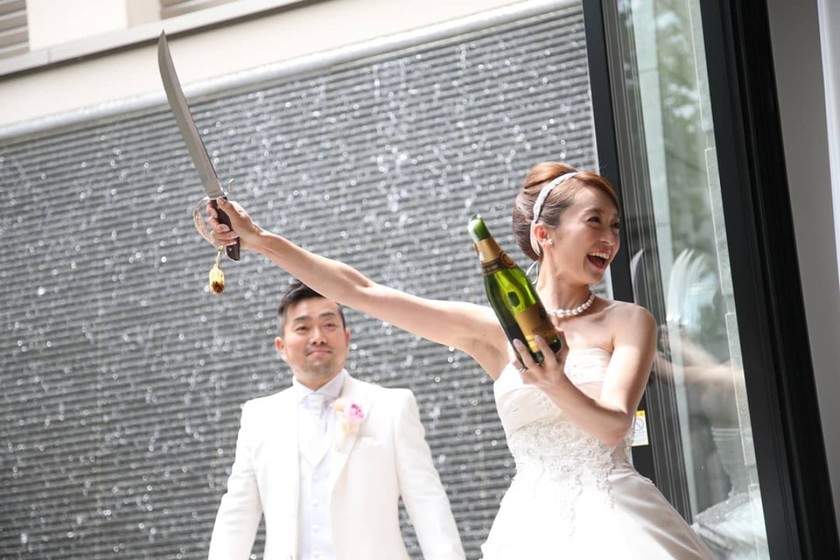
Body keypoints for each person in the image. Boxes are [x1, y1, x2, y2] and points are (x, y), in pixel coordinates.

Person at [205, 161, 714, 558]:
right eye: (594, 221)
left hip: (618, 523)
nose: (610, 237)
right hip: (530, 530)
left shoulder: (629, 321)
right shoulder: (491, 330)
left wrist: (555, 381)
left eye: (615, 225)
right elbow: (361, 290)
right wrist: (257, 238)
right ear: (545, 235)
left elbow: (612, 426)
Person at [206, 280, 466, 560]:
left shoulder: (392, 407)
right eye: (303, 327)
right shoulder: (259, 417)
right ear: (281, 346)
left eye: (329, 325)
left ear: (347, 337)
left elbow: (428, 504)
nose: (317, 336)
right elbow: (238, 514)